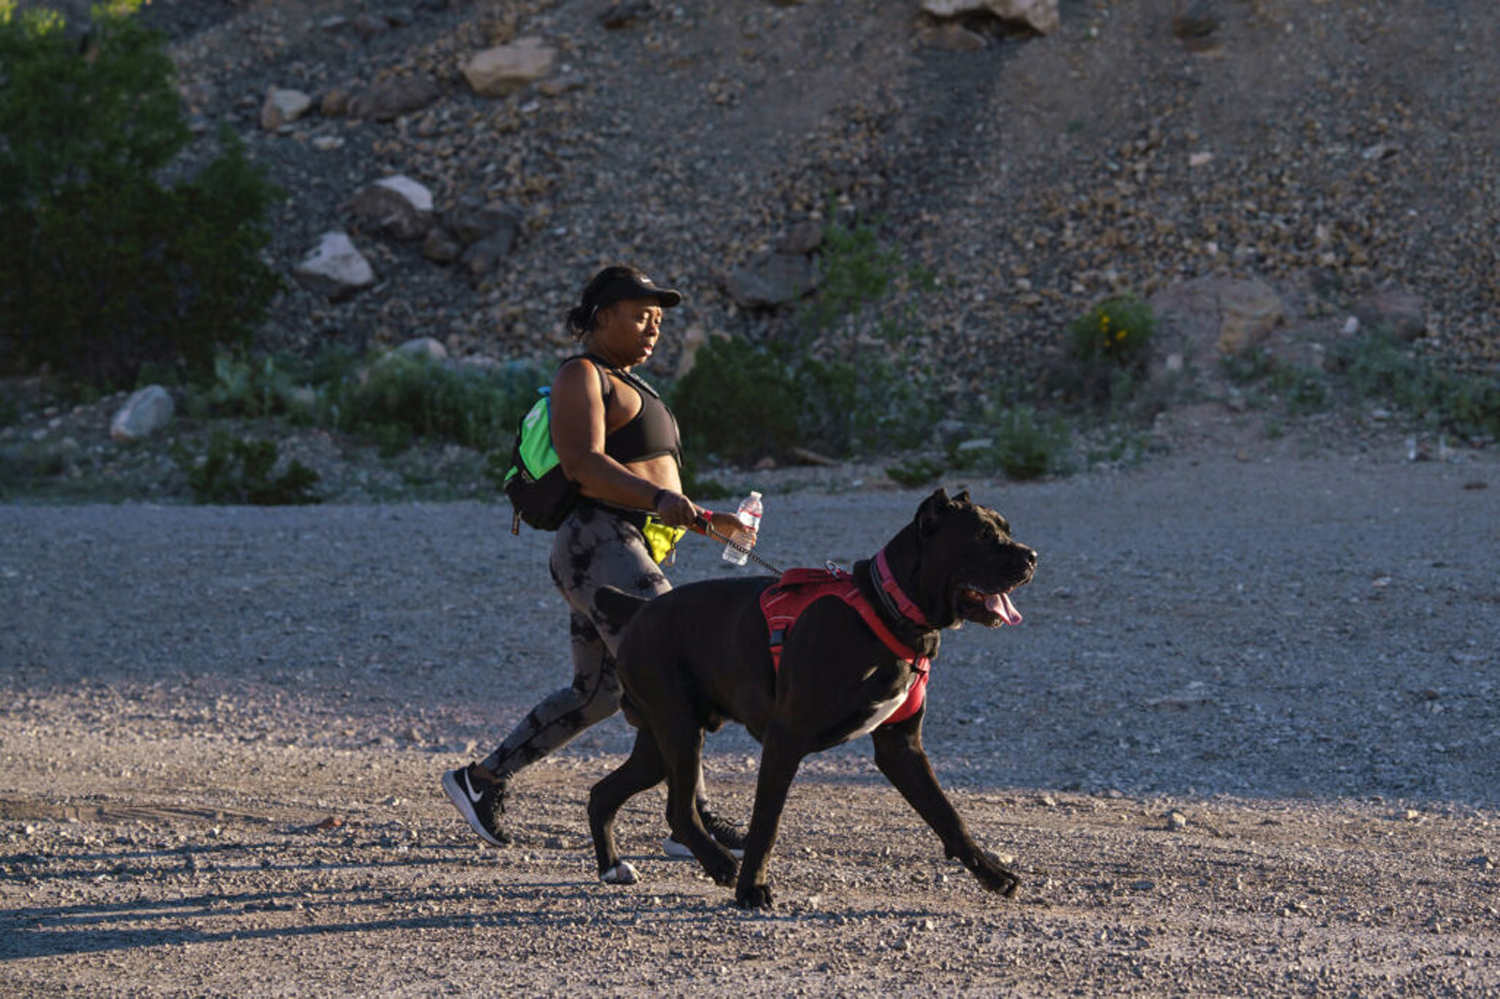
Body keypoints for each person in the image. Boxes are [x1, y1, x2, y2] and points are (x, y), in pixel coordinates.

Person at [442, 264, 753, 854]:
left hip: (617, 548)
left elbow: (652, 485)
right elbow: (583, 463)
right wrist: (659, 499)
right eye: (641, 315)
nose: (654, 327)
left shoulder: (638, 387)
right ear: (603, 315)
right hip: (597, 543)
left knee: (598, 694)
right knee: (677, 665)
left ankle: (481, 780)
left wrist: (711, 522)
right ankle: (691, 821)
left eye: (658, 319)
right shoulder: (581, 375)